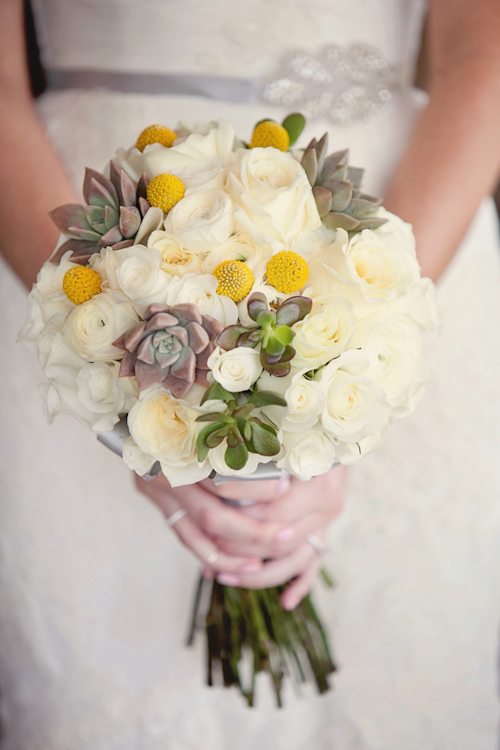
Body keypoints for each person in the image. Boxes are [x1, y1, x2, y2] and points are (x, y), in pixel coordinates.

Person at [1, 0, 500, 747]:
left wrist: (360, 349)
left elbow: (481, 61)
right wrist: (117, 380)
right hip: (87, 224)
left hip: (402, 219)